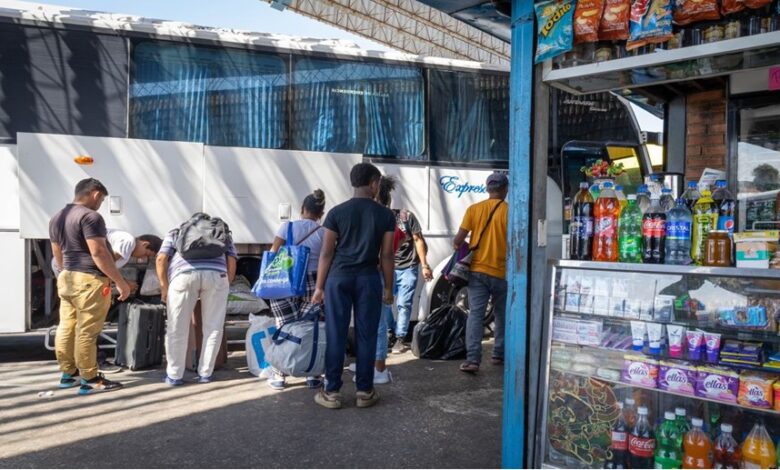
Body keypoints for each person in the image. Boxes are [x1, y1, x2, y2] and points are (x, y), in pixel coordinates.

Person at [311, 163, 395, 409]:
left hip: (338, 279)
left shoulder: (337, 212)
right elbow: (387, 255)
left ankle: (332, 393)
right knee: (366, 334)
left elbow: (326, 253)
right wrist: (388, 288)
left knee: (336, 333)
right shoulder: (385, 215)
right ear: (373, 183)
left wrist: (319, 287)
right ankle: (365, 392)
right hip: (369, 279)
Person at [49, 178, 133, 395]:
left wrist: (66, 273)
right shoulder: (91, 216)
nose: (100, 203)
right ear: (95, 194)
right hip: (89, 280)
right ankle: (90, 378)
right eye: (102, 199)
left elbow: (57, 253)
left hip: (67, 276)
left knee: (66, 327)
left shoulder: (57, 217)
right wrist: (120, 282)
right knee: (87, 331)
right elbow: (99, 252)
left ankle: (69, 374)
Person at [156, 214, 237, 385]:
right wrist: (226, 282)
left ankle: (174, 375)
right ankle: (205, 374)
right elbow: (232, 259)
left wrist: (164, 287)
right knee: (213, 327)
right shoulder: (222, 233)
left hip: (183, 276)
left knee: (176, 327)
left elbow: (161, 258)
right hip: (216, 276)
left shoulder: (176, 232)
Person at [267, 189, 326, 391]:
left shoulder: (287, 227)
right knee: (310, 327)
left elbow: (274, 254)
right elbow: (328, 259)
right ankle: (312, 374)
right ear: (321, 213)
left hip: (287, 281)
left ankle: (279, 375)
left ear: (302, 209)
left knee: (284, 326)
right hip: (314, 282)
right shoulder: (324, 232)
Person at [452, 172, 508, 374]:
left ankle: (473, 360)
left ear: (487, 189)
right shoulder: (510, 211)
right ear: (505, 189)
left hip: (477, 271)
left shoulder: (473, 210)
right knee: (502, 315)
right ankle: (498, 354)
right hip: (502, 272)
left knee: (475, 315)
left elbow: (458, 241)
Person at [386, 182, 433, 354]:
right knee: (385, 302)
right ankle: (391, 331)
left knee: (403, 304)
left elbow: (418, 240)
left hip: (408, 267)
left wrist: (425, 266)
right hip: (388, 267)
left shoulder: (406, 216)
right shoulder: (380, 218)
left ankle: (400, 337)